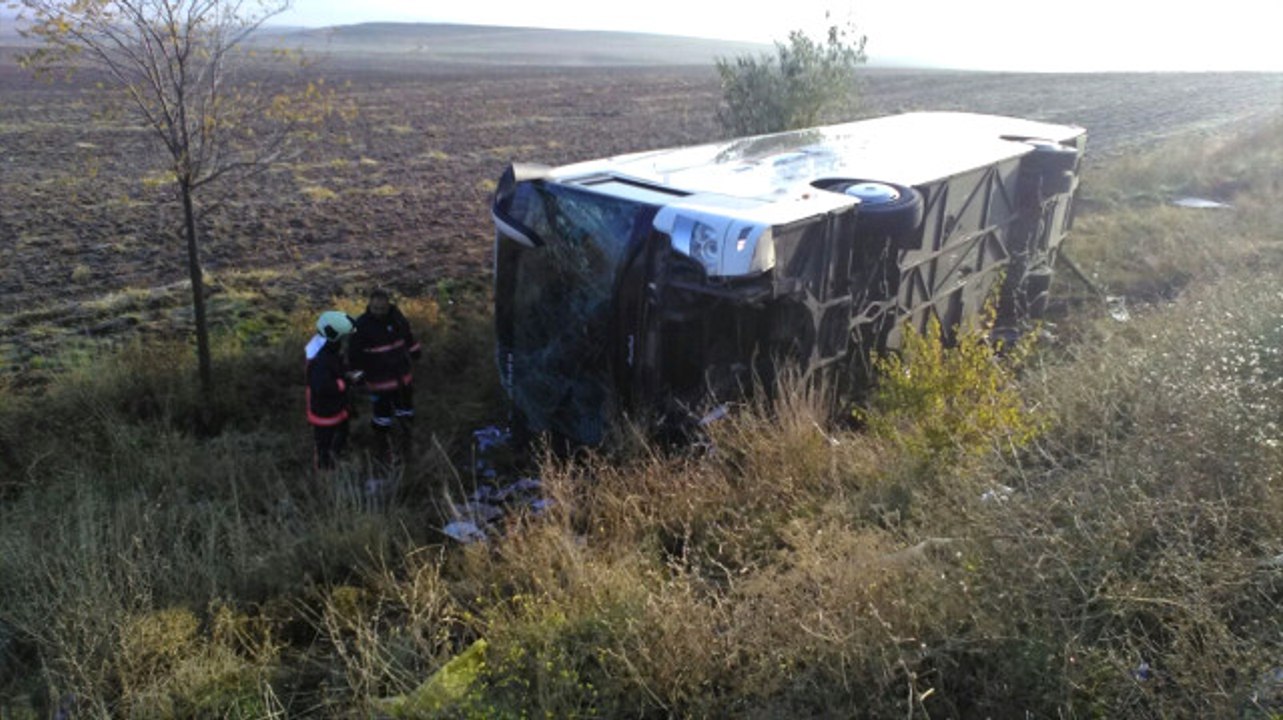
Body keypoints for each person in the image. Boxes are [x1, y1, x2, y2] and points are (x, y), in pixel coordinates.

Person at [349, 289, 422, 460]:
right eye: (375, 309)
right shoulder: (362, 325)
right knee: (382, 416)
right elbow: (354, 356)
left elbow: (408, 337)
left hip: (402, 377)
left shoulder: (397, 318)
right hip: (379, 381)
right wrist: (358, 379)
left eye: (382, 309)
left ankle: (406, 441)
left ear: (388, 305)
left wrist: (415, 352)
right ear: (369, 305)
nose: (379, 312)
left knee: (406, 410)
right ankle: (381, 446)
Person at [306, 310, 360, 471]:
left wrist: (345, 375)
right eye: (344, 338)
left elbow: (334, 373)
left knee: (340, 438)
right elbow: (323, 386)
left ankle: (336, 462)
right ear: (334, 336)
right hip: (324, 412)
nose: (346, 342)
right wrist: (346, 381)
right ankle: (325, 476)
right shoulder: (320, 359)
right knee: (325, 447)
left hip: (337, 408)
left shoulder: (329, 351)